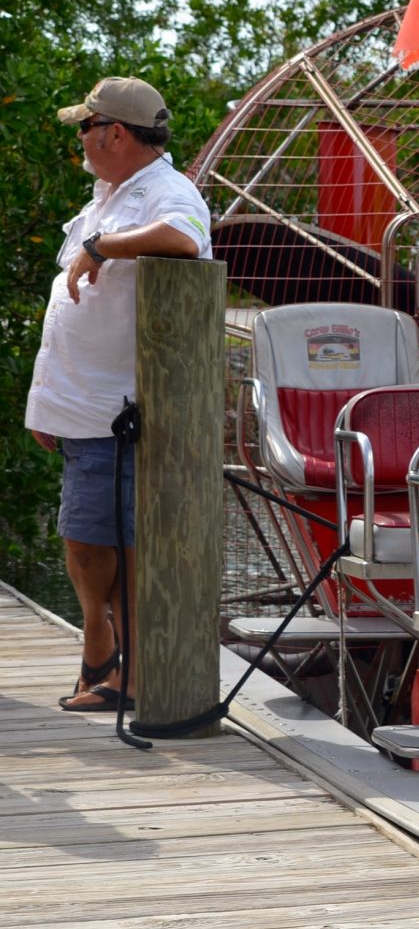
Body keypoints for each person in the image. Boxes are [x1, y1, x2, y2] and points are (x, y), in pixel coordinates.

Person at [25, 77, 212, 712]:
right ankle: (101, 649)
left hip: (120, 413)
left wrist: (104, 247)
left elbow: (185, 237)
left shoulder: (167, 190)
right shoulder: (109, 194)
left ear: (115, 133)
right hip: (78, 409)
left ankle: (122, 671)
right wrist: (43, 405)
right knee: (84, 540)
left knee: (120, 545)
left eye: (86, 126)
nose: (79, 136)